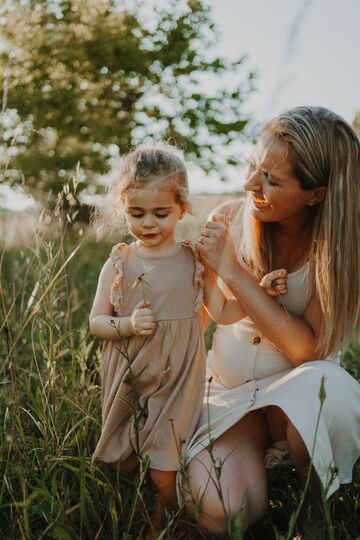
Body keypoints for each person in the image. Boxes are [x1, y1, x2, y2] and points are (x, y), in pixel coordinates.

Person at [183, 106, 360, 535]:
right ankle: (251, 463)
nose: (248, 185)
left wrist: (233, 273)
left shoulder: (336, 249)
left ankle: (316, 512)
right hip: (226, 397)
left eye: (270, 180)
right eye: (252, 166)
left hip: (296, 404)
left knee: (327, 386)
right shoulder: (227, 220)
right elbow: (199, 322)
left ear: (315, 194)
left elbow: (306, 349)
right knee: (228, 513)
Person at [89, 142, 249, 507]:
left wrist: (260, 299)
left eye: (161, 213)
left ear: (183, 209)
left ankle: (170, 518)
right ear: (122, 210)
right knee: (124, 459)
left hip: (179, 379)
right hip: (129, 373)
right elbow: (97, 322)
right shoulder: (119, 262)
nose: (147, 223)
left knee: (165, 461)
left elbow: (221, 312)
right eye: (136, 213)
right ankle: (132, 510)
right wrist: (128, 324)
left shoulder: (194, 260)